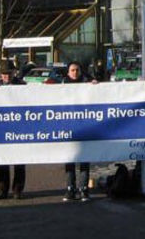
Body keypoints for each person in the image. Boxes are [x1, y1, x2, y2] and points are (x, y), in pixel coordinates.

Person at [60, 61, 98, 202]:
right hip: (69, 125)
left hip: (84, 125)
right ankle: (70, 188)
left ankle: (84, 189)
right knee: (70, 158)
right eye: (72, 70)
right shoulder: (62, 85)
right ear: (68, 72)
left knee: (84, 158)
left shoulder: (87, 83)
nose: (75, 72)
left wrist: (94, 86)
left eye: (77, 70)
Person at [0, 63, 27, 199]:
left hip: (19, 126)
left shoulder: (22, 85)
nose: (6, 76)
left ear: (13, 73)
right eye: (4, 73)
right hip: (2, 126)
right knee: (2, 160)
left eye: (8, 73)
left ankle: (17, 189)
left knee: (19, 160)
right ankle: (2, 190)